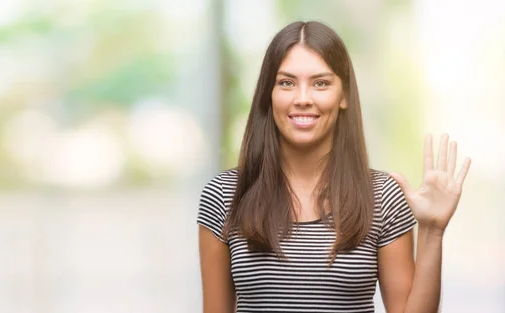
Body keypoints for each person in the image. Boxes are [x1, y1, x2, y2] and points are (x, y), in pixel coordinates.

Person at [196, 20, 471, 313]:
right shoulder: (224, 195)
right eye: (286, 83)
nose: (303, 99)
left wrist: (432, 231)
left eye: (321, 83)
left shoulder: (383, 197)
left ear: (344, 96)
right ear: (269, 94)